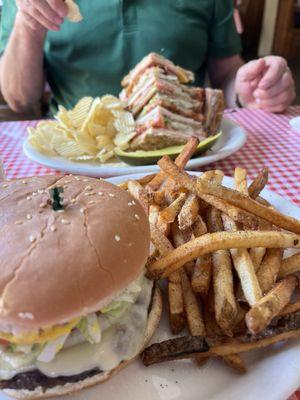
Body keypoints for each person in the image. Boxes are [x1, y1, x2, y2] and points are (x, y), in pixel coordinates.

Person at [0, 0, 295, 115]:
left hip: (188, 155)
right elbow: (19, 99)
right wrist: (28, 23)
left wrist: (249, 90)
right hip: (75, 161)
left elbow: (227, 74)